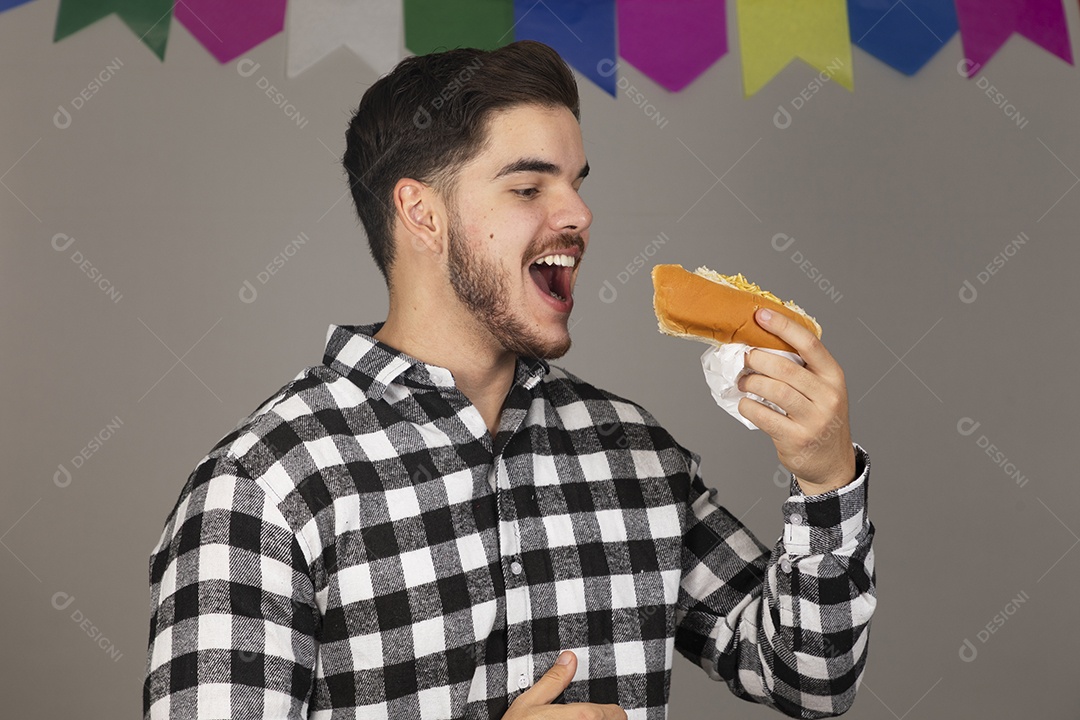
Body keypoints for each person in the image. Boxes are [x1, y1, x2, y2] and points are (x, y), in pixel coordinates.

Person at [144, 40, 874, 720]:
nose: (580, 214)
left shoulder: (635, 454)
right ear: (422, 214)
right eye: (529, 187)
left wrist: (824, 479)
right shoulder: (263, 491)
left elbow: (809, 675)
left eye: (576, 184)